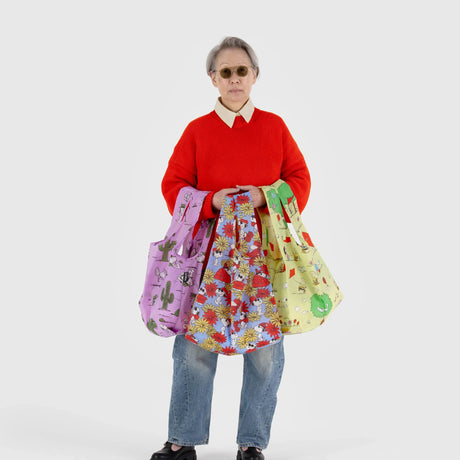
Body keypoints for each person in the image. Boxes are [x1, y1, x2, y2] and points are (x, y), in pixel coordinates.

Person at [150, 36, 311, 460]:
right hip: (207, 258)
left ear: (255, 76)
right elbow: (173, 184)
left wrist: (263, 196)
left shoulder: (274, 127)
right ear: (213, 79)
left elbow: (298, 177)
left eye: (243, 70)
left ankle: (252, 444)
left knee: (264, 351)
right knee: (194, 346)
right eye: (227, 71)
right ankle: (182, 440)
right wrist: (210, 201)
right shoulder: (197, 131)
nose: (235, 78)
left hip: (263, 257)